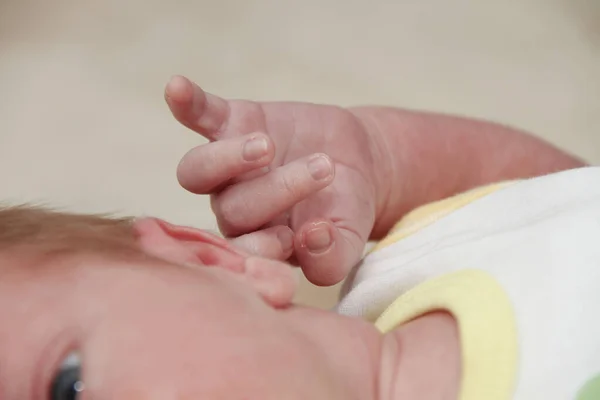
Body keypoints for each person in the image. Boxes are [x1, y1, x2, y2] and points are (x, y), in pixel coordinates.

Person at [1, 75, 598, 399]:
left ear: (212, 262)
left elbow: (569, 193)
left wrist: (384, 158)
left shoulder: (421, 259)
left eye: (67, 388)